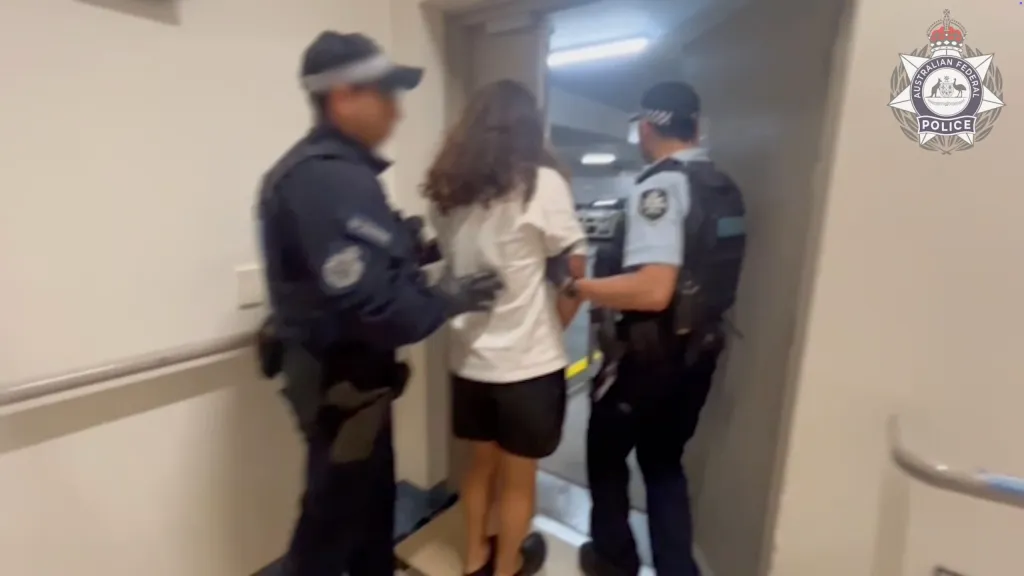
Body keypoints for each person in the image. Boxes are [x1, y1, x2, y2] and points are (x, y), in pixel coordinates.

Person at [256, 31, 504, 576]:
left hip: (353, 385)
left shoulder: (343, 174)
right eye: (386, 93)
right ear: (342, 97)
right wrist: (446, 298)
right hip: (340, 388)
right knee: (330, 525)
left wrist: (415, 252)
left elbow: (371, 269)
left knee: (369, 513)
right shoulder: (326, 179)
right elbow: (376, 306)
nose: (397, 109)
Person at [550, 82, 746, 576]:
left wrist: (583, 288)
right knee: (663, 465)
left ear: (645, 127)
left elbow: (654, 289)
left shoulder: (660, 186)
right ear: (695, 127)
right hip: (698, 354)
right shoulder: (722, 186)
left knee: (605, 454)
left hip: (648, 357)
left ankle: (614, 559)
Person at [422, 79, 588, 576]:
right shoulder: (541, 184)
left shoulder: (448, 193)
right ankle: (507, 565)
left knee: (480, 468)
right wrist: (555, 326)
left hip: (470, 364)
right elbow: (575, 274)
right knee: (520, 480)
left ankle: (475, 559)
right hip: (527, 367)